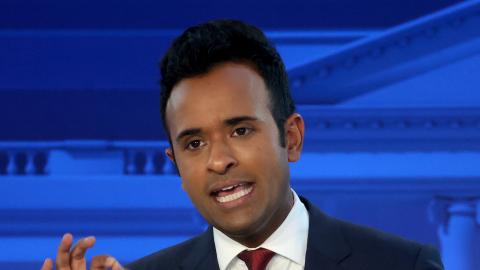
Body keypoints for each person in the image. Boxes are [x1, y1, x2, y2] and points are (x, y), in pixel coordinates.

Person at [41, 19, 444, 270]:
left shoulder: (403, 264)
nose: (218, 160)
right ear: (176, 164)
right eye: (195, 143)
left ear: (291, 138)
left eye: (240, 131)